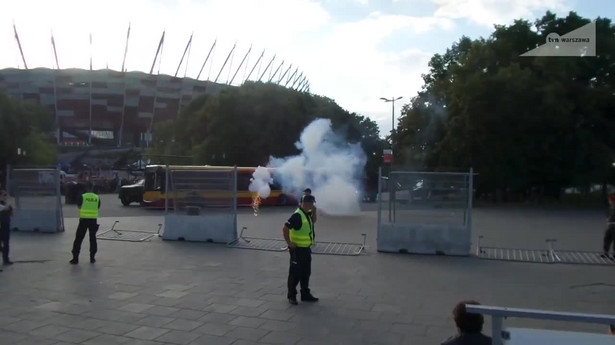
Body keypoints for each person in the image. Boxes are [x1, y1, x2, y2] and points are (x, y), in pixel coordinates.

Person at [283, 194, 318, 305]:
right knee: (295, 274)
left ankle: (305, 294)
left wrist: (314, 211)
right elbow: (285, 228)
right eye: (306, 203)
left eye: (311, 203)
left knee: (306, 273)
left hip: (306, 249)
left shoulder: (307, 214)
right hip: (297, 250)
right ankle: (291, 296)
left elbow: (313, 221)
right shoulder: (297, 215)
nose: (309, 205)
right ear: (301, 203)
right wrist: (289, 243)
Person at [70, 183, 100, 264]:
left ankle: (75, 258)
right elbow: (97, 207)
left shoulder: (83, 196)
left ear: (86, 188)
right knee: (93, 238)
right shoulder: (97, 197)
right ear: (93, 188)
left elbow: (79, 206)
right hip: (93, 220)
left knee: (79, 239)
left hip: (83, 220)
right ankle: (92, 258)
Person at [0, 190, 14, 265]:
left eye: (6, 195)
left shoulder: (6, 204)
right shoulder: (3, 205)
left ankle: (6, 259)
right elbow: (5, 208)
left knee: (6, 243)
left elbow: (11, 212)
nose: (5, 197)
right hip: (1, 225)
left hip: (5, 224)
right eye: (4, 195)